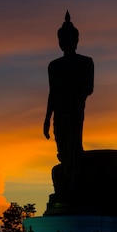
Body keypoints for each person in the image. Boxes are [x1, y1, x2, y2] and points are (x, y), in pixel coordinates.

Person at [43, 11, 94, 188]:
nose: (64, 43)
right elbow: (52, 92)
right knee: (62, 145)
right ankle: (68, 178)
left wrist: (72, 95)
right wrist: (47, 118)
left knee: (74, 144)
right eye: (61, 40)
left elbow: (88, 88)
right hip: (60, 111)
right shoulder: (54, 65)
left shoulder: (86, 62)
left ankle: (75, 180)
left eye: (68, 38)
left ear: (76, 40)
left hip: (74, 109)